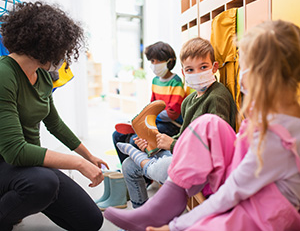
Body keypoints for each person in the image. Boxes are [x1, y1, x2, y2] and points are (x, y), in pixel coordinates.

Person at [104, 19, 300, 230]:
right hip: (235, 175)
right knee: (207, 123)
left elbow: (233, 190)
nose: (241, 74)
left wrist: (173, 227)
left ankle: (147, 168)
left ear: (261, 74)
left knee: (167, 174)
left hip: (261, 212)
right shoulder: (266, 113)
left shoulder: (277, 137)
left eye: (244, 66)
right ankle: (153, 195)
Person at [0, 2, 108, 231]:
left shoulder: (43, 77)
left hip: (29, 164)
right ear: (47, 45)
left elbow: (54, 123)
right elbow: (14, 151)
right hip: (6, 163)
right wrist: (77, 163)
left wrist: (88, 156)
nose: (63, 55)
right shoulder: (4, 75)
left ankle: (18, 201)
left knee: (90, 221)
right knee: (42, 184)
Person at [120, 37, 237, 208]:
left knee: (160, 169)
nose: (197, 73)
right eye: (190, 69)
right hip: (184, 154)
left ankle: (145, 161)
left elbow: (215, 147)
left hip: (204, 164)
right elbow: (184, 135)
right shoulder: (189, 101)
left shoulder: (218, 97)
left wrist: (173, 145)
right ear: (183, 72)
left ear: (214, 67)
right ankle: (142, 212)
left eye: (203, 67)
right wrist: (157, 144)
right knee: (128, 165)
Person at [112, 41, 185, 164]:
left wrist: (148, 119)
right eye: (152, 61)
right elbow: (151, 106)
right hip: (155, 121)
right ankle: (126, 169)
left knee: (133, 141)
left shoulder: (175, 81)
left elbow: (172, 113)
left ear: (169, 61)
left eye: (158, 61)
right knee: (117, 135)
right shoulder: (155, 81)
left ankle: (145, 177)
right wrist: (146, 118)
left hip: (172, 125)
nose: (154, 64)